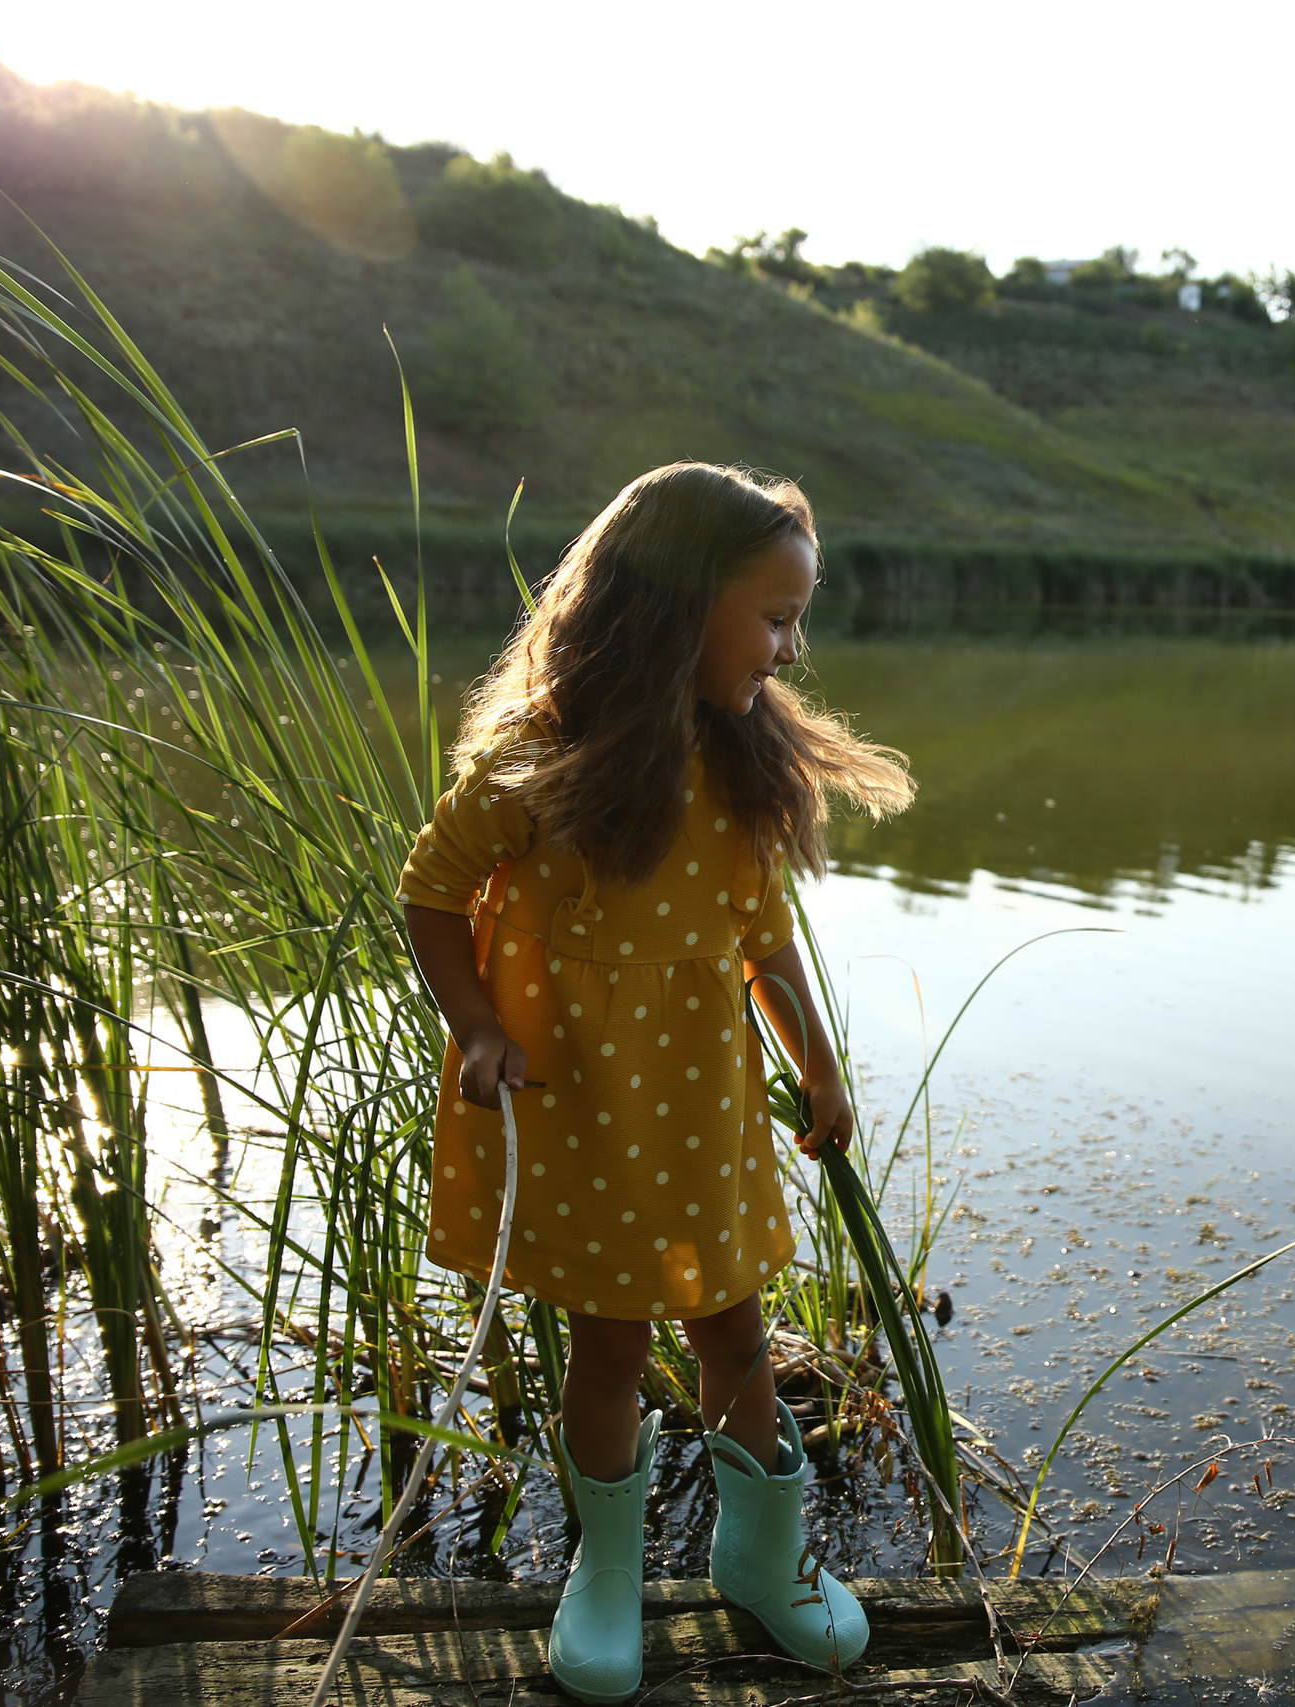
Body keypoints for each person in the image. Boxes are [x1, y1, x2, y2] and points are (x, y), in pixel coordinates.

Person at [396, 463, 912, 1703]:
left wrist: (819, 1062)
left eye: (795, 621)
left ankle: (761, 1557)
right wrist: (476, 1026)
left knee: (734, 1329)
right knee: (610, 1345)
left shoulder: (736, 761)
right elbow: (430, 888)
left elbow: (762, 936)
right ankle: (607, 1570)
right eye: (773, 618)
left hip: (701, 1105)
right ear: (679, 605)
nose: (789, 650)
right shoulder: (540, 758)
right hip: (580, 1107)